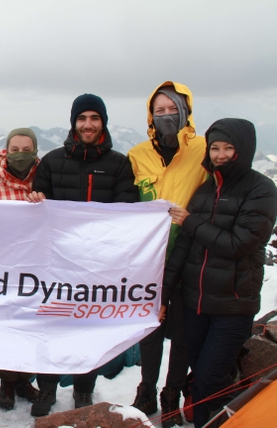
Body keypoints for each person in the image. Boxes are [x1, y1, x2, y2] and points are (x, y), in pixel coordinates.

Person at [161, 118, 277, 428]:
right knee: (201, 374)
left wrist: (191, 222)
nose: (220, 155)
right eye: (215, 148)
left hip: (232, 306)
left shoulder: (262, 190)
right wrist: (163, 295)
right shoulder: (204, 190)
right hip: (195, 304)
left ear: (245, 150)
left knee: (211, 378)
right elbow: (183, 249)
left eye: (229, 148)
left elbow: (239, 244)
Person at [27, 94, 138, 416]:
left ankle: (83, 391)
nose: (88, 124)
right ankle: (46, 390)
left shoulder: (118, 164)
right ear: (73, 123)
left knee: (88, 332)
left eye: (94, 118)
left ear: (103, 122)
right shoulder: (52, 161)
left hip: (97, 266)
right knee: (50, 326)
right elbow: (39, 204)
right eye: (82, 118)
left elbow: (126, 211)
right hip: (56, 264)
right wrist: (37, 199)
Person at [127, 82, 207, 427]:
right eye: (159, 111)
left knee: (184, 329)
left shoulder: (204, 149)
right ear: (150, 115)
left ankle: (171, 392)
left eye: (172, 109)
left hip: (190, 253)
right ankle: (146, 388)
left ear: (185, 110)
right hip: (150, 256)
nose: (166, 116)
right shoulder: (137, 154)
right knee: (150, 325)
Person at [0, 127, 41, 410]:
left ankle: (25, 378)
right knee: (4, 328)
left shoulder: (43, 180)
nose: (20, 154)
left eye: (27, 149)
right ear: (6, 150)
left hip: (36, 269)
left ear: (35, 151)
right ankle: (6, 382)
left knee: (30, 327)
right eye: (15, 149)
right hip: (0, 272)